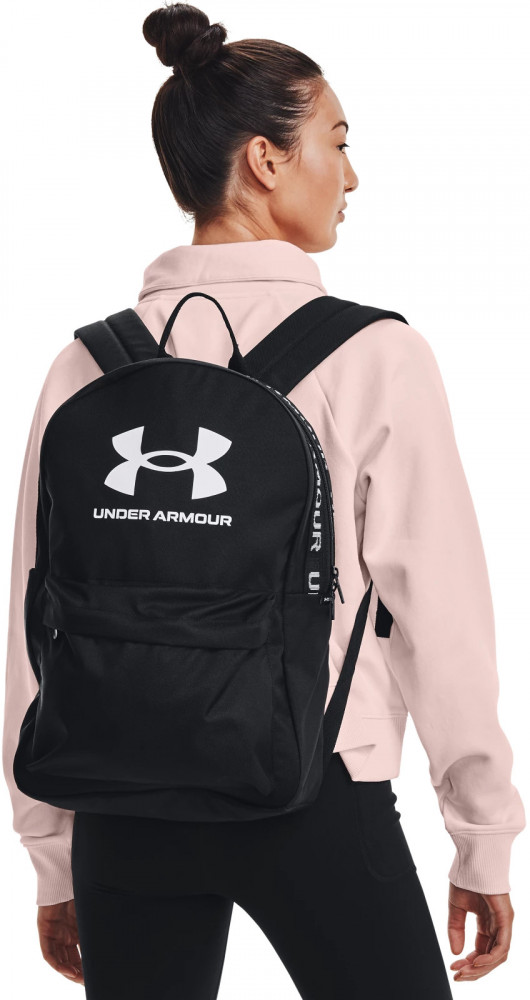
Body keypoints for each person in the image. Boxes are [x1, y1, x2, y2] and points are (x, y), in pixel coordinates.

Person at [2, 3, 525, 997]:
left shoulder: (87, 365)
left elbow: (36, 619)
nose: (352, 176)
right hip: (315, 797)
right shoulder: (375, 356)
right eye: (338, 141)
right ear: (266, 160)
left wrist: (55, 854)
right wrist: (482, 837)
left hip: (120, 806)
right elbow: (442, 621)